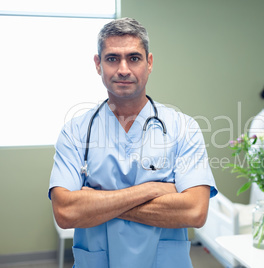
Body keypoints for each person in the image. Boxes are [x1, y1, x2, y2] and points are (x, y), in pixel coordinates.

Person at [48, 18, 217, 268]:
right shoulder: (75, 131)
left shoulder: (184, 128)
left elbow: (195, 211)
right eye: (112, 58)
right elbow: (65, 213)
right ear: (98, 64)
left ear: (149, 63)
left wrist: (95, 202)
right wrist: (154, 189)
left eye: (134, 58)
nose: (123, 69)